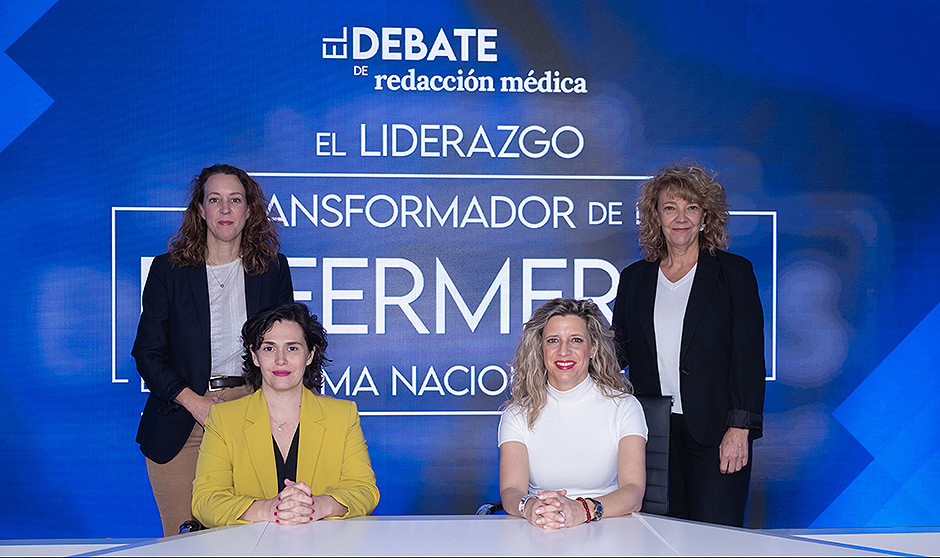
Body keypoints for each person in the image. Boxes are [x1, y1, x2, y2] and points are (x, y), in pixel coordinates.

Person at [132, 164, 293, 536]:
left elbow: (285, 349)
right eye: (214, 199)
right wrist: (196, 403)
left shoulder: (272, 270)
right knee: (185, 542)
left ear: (249, 210)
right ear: (200, 209)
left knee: (254, 537)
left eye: (235, 200)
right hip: (183, 417)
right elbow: (147, 352)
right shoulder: (168, 271)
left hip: (254, 414)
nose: (225, 209)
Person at [611, 164, 766, 527]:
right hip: (652, 434)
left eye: (691, 207)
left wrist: (740, 429)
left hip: (717, 431)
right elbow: (616, 353)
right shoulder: (634, 279)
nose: (680, 218)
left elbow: (748, 358)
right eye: (670, 208)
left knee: (716, 539)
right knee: (657, 537)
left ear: (705, 217)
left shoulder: (734, 273)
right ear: (656, 217)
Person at [192, 302, 380, 527]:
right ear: (254, 355)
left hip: (324, 543)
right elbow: (206, 501)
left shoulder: (342, 415)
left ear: (309, 355)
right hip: (249, 544)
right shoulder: (223, 418)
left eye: (292, 348)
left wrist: (317, 506)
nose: (280, 360)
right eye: (269, 349)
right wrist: (269, 509)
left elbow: (364, 491)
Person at [498, 298, 648, 530]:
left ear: (593, 348)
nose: (564, 351)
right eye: (553, 340)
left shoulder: (625, 407)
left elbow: (633, 492)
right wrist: (531, 508)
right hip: (542, 527)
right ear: (540, 348)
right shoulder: (517, 413)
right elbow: (511, 490)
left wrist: (581, 510)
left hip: (609, 526)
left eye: (576, 340)